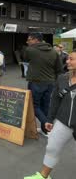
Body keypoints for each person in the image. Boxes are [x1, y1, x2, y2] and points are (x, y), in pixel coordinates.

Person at [24, 50, 76, 179]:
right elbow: (55, 100)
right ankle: (43, 176)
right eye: (68, 58)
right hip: (62, 121)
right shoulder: (62, 78)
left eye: (71, 59)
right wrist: (49, 119)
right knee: (52, 147)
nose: (67, 61)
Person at [24, 33, 63, 136]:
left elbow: (25, 58)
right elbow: (59, 69)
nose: (27, 42)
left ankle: (46, 124)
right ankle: (46, 130)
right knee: (46, 106)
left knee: (34, 106)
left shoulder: (30, 50)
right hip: (51, 83)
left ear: (36, 40)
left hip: (36, 83)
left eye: (29, 40)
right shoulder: (54, 52)